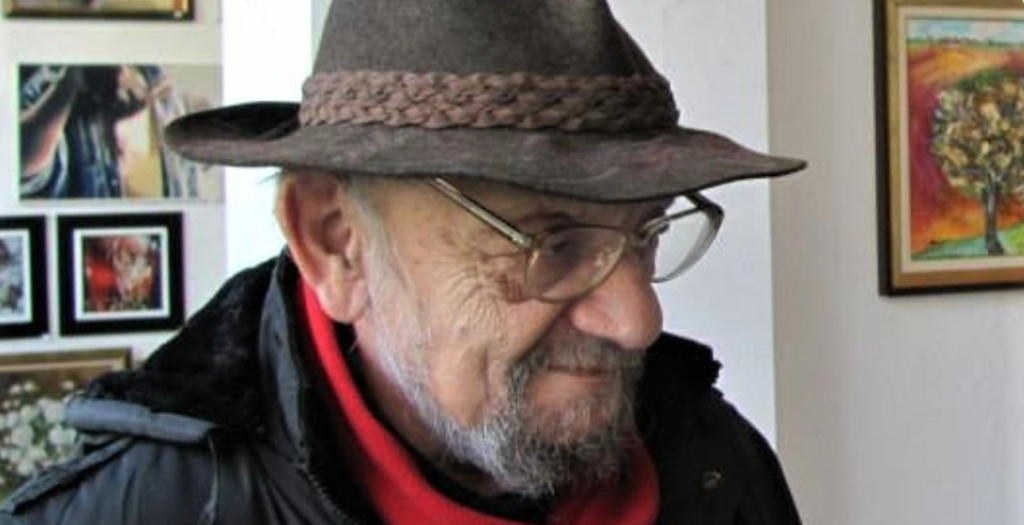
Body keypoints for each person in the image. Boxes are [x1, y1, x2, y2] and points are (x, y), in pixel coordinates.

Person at [0, 0, 806, 523]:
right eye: (552, 243)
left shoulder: (712, 464)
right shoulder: (145, 510)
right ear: (335, 241)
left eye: (645, 233)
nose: (637, 320)